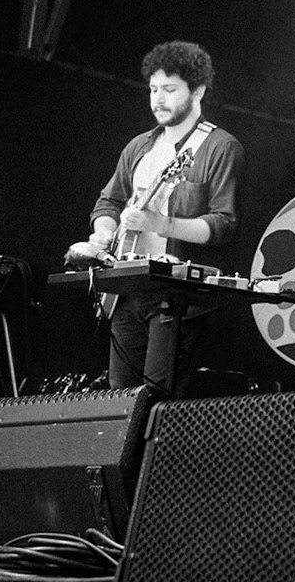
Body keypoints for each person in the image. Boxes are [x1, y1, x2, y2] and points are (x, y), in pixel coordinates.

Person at [79, 41, 244, 391]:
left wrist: (161, 224)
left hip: (175, 294)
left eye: (169, 90)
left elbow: (223, 225)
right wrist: (104, 233)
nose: (158, 99)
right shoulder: (139, 146)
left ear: (198, 91)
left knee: (156, 400)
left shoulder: (219, 147)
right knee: (119, 398)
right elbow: (108, 203)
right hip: (127, 288)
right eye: (153, 90)